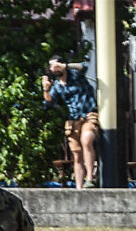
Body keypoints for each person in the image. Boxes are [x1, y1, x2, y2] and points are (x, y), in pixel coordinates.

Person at [42, 55, 99, 189]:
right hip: (73, 120)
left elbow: (84, 66)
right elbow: (48, 103)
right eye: (51, 66)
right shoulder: (57, 86)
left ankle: (90, 177)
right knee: (77, 154)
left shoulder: (76, 75)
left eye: (56, 65)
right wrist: (45, 88)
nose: (54, 68)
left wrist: (66, 65)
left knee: (87, 140)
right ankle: (79, 187)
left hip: (88, 115)